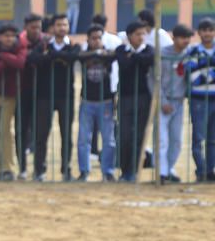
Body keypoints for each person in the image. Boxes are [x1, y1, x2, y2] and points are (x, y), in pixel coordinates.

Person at [31, 14, 78, 181]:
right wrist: (55, 55)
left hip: (66, 96)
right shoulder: (43, 45)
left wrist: (50, 55)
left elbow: (73, 56)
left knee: (67, 135)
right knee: (41, 134)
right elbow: (32, 58)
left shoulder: (73, 45)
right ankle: (39, 170)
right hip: (44, 96)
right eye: (59, 24)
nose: (62, 28)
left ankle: (66, 170)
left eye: (65, 24)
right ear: (53, 27)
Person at [0, 23, 27, 181]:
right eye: (6, 36)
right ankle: (1, 168)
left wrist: (2, 55)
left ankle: (8, 169)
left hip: (10, 95)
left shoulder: (20, 46)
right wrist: (10, 58)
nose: (10, 39)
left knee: (4, 131)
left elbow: (20, 63)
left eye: (12, 36)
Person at [76, 26, 118, 182]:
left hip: (106, 101)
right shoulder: (84, 53)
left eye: (99, 38)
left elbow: (113, 56)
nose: (97, 41)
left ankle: (108, 172)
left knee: (108, 140)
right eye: (94, 38)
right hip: (87, 102)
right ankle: (84, 171)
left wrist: (100, 53)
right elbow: (79, 56)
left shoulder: (109, 52)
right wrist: (97, 53)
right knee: (83, 139)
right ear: (88, 40)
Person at [115, 21, 155, 182]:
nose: (141, 37)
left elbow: (150, 60)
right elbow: (124, 65)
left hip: (144, 97)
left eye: (143, 34)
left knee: (139, 136)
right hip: (125, 98)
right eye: (138, 34)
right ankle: (124, 169)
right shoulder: (121, 49)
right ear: (129, 36)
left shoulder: (148, 49)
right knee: (124, 136)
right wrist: (137, 58)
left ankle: (133, 171)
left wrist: (134, 56)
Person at [158, 24, 193, 183]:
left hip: (179, 102)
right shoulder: (162, 54)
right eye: (183, 37)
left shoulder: (189, 54)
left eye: (188, 37)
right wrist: (163, 102)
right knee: (162, 140)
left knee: (177, 141)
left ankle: (169, 170)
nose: (186, 40)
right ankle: (161, 173)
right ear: (174, 38)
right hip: (162, 103)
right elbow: (154, 81)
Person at [184, 18, 215, 182]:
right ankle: (201, 171)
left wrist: (204, 72)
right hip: (198, 101)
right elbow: (193, 78)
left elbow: (199, 76)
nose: (207, 33)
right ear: (199, 33)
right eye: (204, 30)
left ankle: (210, 171)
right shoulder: (192, 52)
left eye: (210, 30)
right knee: (198, 139)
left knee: (213, 140)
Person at [17, 14, 46, 180]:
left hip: (41, 93)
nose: (36, 30)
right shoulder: (19, 41)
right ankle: (22, 168)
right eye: (33, 27)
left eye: (39, 27)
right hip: (21, 91)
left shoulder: (45, 41)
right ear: (26, 27)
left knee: (40, 132)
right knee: (21, 130)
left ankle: (39, 169)